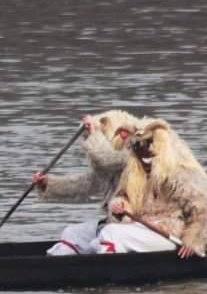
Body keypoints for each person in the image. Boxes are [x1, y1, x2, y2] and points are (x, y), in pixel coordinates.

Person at [89, 118, 207, 258]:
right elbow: (123, 197)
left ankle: (106, 271)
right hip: (139, 228)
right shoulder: (133, 174)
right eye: (138, 148)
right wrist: (120, 207)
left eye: (148, 145)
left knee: (110, 233)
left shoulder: (180, 174)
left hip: (167, 234)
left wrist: (193, 241)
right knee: (74, 232)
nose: (144, 154)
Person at [34, 109, 143, 256]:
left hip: (136, 227)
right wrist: (47, 184)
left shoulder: (135, 157)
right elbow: (85, 184)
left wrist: (93, 131)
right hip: (114, 224)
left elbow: (106, 158)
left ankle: (104, 269)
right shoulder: (110, 171)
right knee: (71, 233)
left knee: (108, 235)